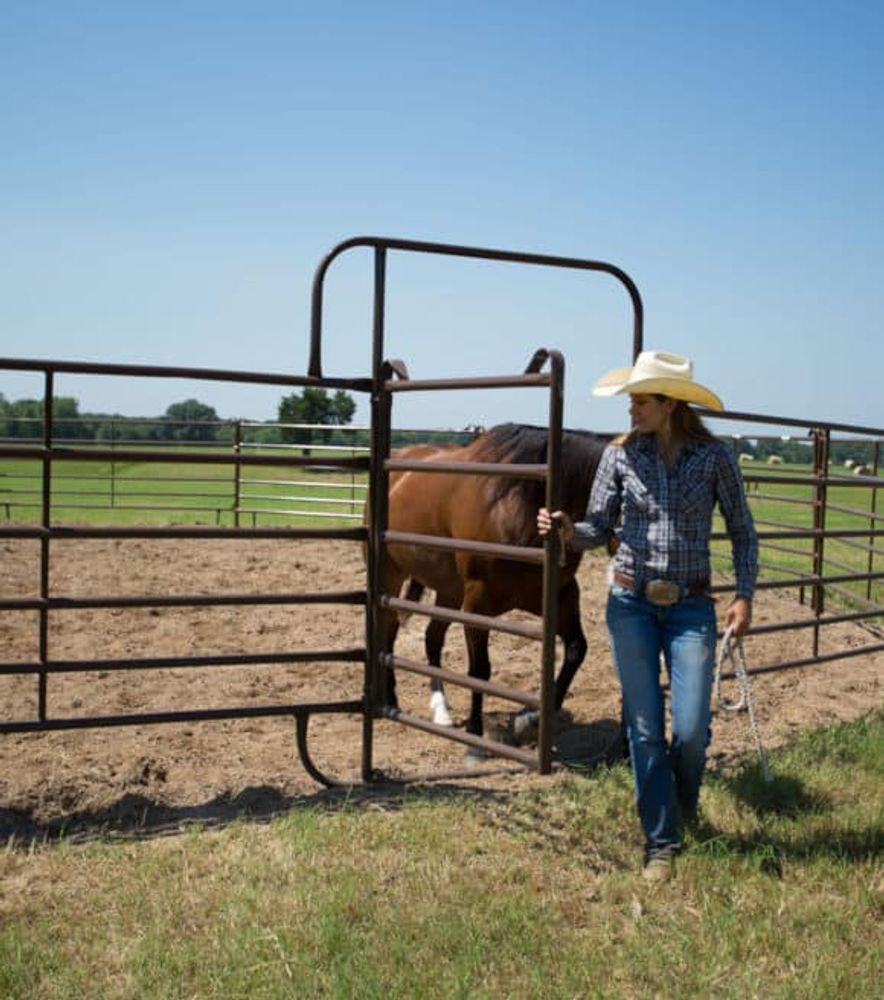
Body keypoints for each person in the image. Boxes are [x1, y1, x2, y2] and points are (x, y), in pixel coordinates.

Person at [538, 350, 757, 882]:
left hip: (691, 608)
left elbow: (743, 531)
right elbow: (597, 527)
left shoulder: (715, 459)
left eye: (640, 400)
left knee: (689, 729)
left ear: (670, 404)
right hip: (631, 602)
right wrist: (567, 529)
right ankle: (662, 840)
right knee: (642, 725)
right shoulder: (619, 457)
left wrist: (745, 594)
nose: (631, 409)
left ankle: (681, 803)